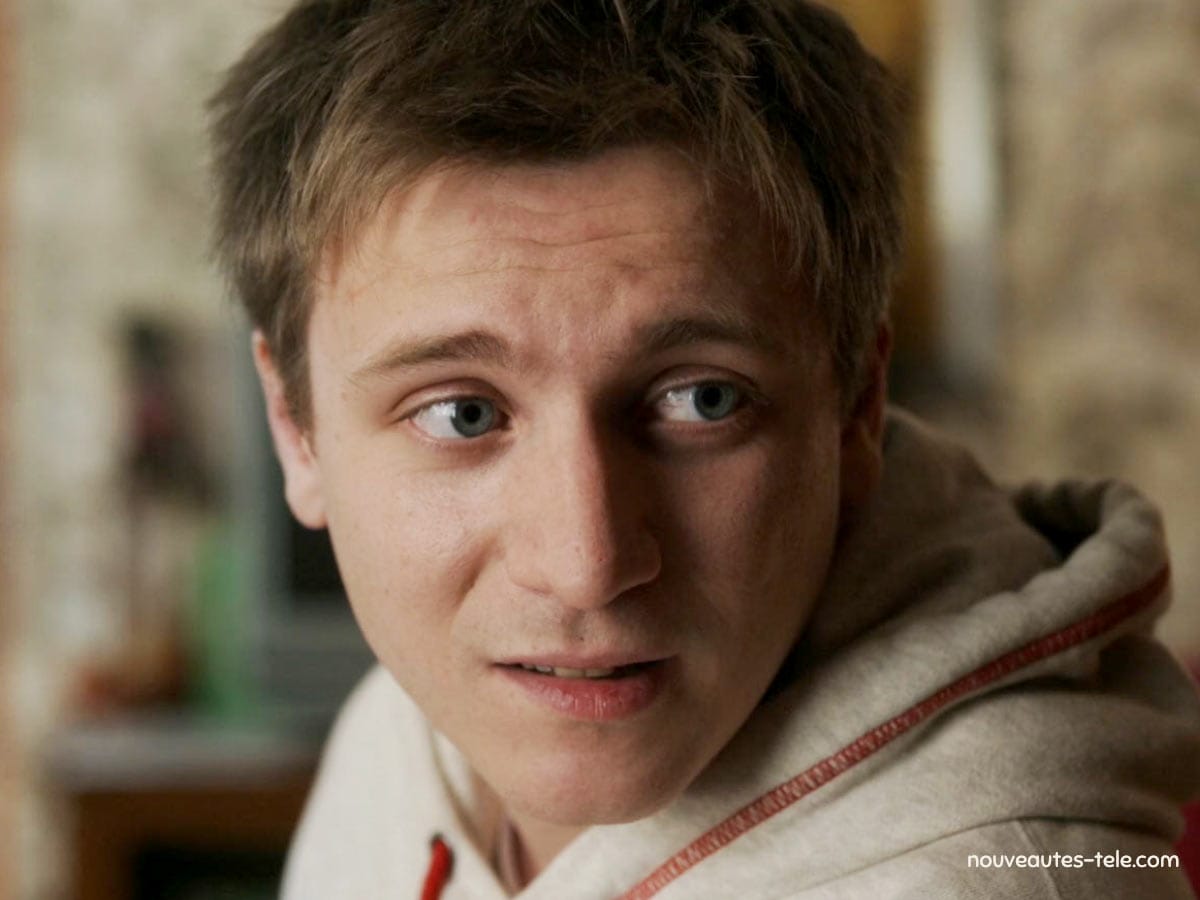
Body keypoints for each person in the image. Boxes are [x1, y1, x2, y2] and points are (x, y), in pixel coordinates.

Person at [207, 1, 1200, 896]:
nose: (585, 567)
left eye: (701, 400)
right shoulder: (395, 739)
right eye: (461, 414)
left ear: (858, 409)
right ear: (295, 427)